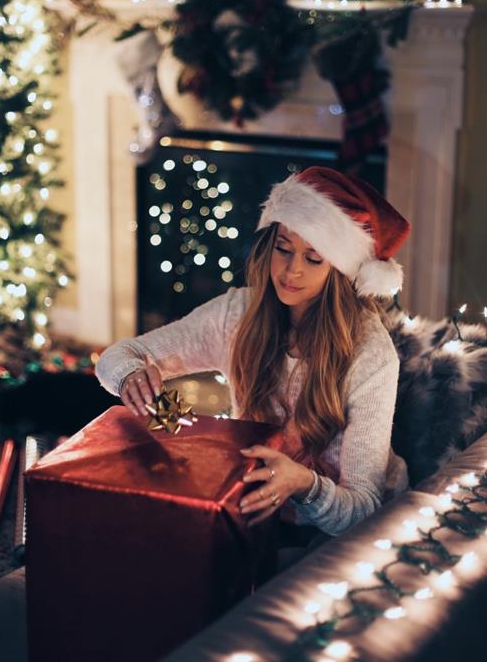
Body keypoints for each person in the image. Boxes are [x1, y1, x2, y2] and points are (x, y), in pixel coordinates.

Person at [96, 166, 411, 541]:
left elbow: (363, 508)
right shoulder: (238, 314)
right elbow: (117, 355)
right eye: (283, 248)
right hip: (256, 507)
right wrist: (130, 374)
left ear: (341, 270)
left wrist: (305, 486)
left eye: (313, 258)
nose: (291, 270)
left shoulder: (370, 356)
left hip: (346, 535)